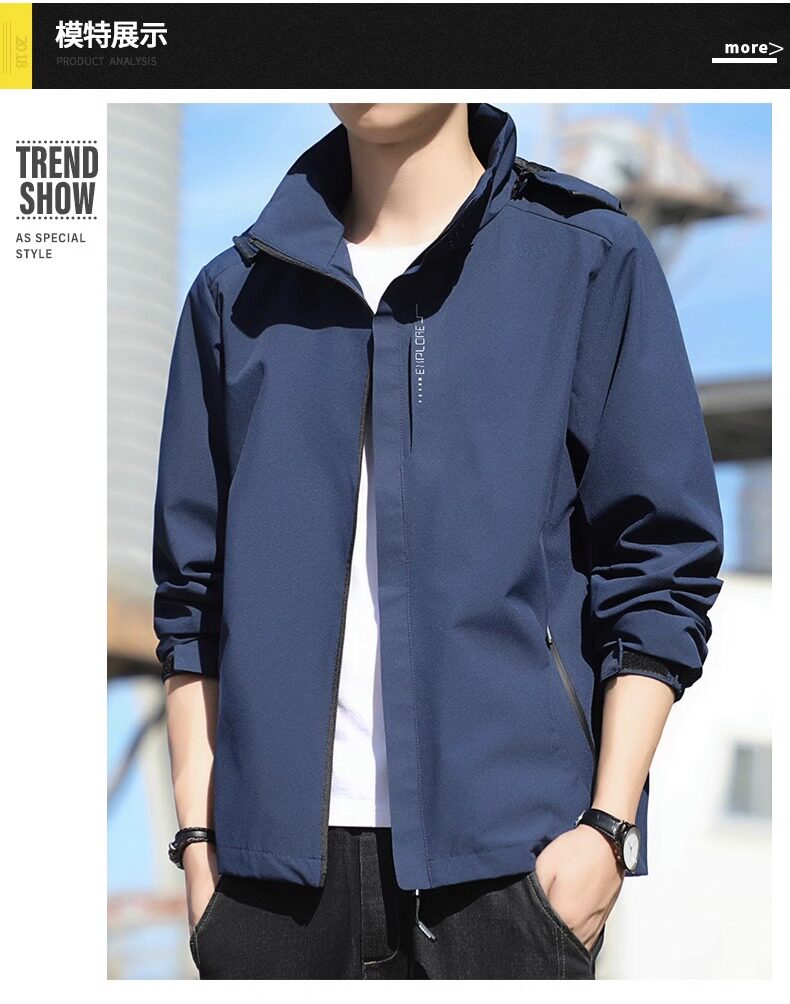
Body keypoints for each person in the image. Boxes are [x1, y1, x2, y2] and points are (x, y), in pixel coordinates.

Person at [153, 102, 724, 980]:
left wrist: (609, 828)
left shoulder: (585, 258)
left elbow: (661, 559)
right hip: (266, 890)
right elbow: (192, 600)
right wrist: (199, 843)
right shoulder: (236, 297)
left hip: (509, 873)